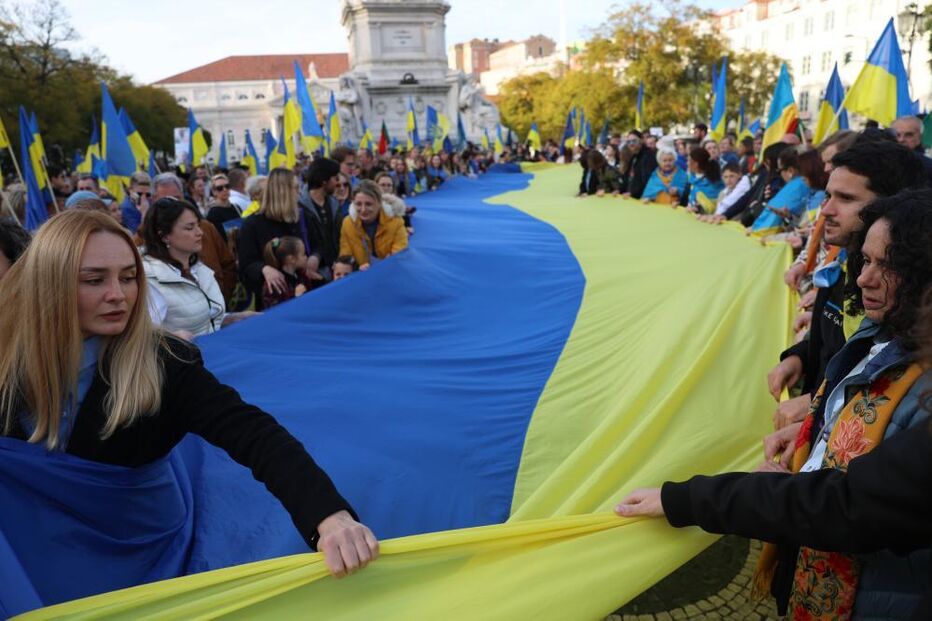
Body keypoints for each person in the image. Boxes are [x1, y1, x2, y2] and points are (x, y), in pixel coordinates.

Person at [0, 209, 378, 594]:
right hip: (39, 562)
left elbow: (254, 434)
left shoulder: (167, 363)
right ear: (49, 283)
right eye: (94, 280)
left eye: (129, 278)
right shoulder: (7, 364)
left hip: (147, 562)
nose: (118, 295)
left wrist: (328, 516)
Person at [617, 190, 932, 620]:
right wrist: (808, 440)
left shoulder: (923, 389)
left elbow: (844, 505)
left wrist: (686, 500)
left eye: (889, 266)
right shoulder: (878, 336)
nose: (862, 278)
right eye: (866, 260)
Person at [768, 141, 927, 430]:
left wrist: (818, 408)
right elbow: (838, 347)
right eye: (827, 195)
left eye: (845, 198)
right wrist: (800, 357)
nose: (825, 210)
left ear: (890, 205)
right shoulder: (843, 266)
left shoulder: (901, 297)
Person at [141, 198, 255, 337]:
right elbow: (143, 338)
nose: (200, 232)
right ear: (164, 236)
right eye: (190, 227)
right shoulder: (149, 280)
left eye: (198, 225)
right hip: (183, 358)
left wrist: (232, 318)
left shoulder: (199, 268)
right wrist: (174, 340)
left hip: (213, 354)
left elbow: (205, 319)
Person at [238, 168, 320, 309]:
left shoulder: (302, 217)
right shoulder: (252, 225)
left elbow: (319, 245)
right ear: (282, 192)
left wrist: (314, 258)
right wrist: (264, 269)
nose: (299, 193)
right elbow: (246, 264)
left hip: (306, 295)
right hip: (273, 303)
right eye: (295, 188)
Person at [151, 173, 238, 305]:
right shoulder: (145, 238)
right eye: (165, 201)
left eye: (176, 198)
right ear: (154, 199)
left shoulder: (205, 228)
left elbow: (227, 264)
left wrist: (220, 300)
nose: (172, 207)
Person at [339, 180, 408, 271]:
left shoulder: (396, 222)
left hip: (390, 271)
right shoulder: (347, 223)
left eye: (368, 204)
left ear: (379, 203)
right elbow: (345, 254)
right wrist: (356, 268)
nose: (363, 209)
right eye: (358, 204)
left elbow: (400, 253)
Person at [747, 147, 813, 236]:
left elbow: (768, 225)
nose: (780, 174)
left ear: (790, 171)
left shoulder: (797, 186)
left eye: (779, 170)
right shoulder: (805, 184)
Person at [303, 158, 344, 277]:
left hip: (336, 270)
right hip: (313, 273)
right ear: (324, 181)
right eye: (335, 178)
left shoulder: (335, 204)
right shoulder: (299, 208)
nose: (337, 183)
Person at [261, 235, 315, 308]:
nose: (306, 257)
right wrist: (294, 296)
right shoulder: (275, 284)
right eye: (303, 254)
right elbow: (273, 310)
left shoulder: (301, 275)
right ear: (292, 259)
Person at [891, 115, 932, 184]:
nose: (901, 140)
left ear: (920, 137)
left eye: (908, 135)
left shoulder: (928, 167)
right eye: (897, 135)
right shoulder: (879, 163)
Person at [684, 146, 723, 213]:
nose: (687, 163)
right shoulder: (691, 179)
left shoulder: (714, 183)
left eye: (689, 160)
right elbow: (685, 201)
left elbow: (713, 208)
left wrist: (698, 209)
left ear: (696, 164)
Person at [620, 130, 657, 199]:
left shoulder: (648, 156)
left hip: (642, 199)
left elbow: (647, 180)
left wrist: (632, 193)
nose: (631, 144)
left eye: (634, 141)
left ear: (641, 140)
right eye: (628, 142)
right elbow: (627, 178)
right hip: (631, 197)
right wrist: (619, 190)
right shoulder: (634, 156)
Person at [205, 173, 242, 244]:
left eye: (227, 186)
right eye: (220, 188)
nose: (224, 190)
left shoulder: (236, 207)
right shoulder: (213, 213)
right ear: (214, 192)